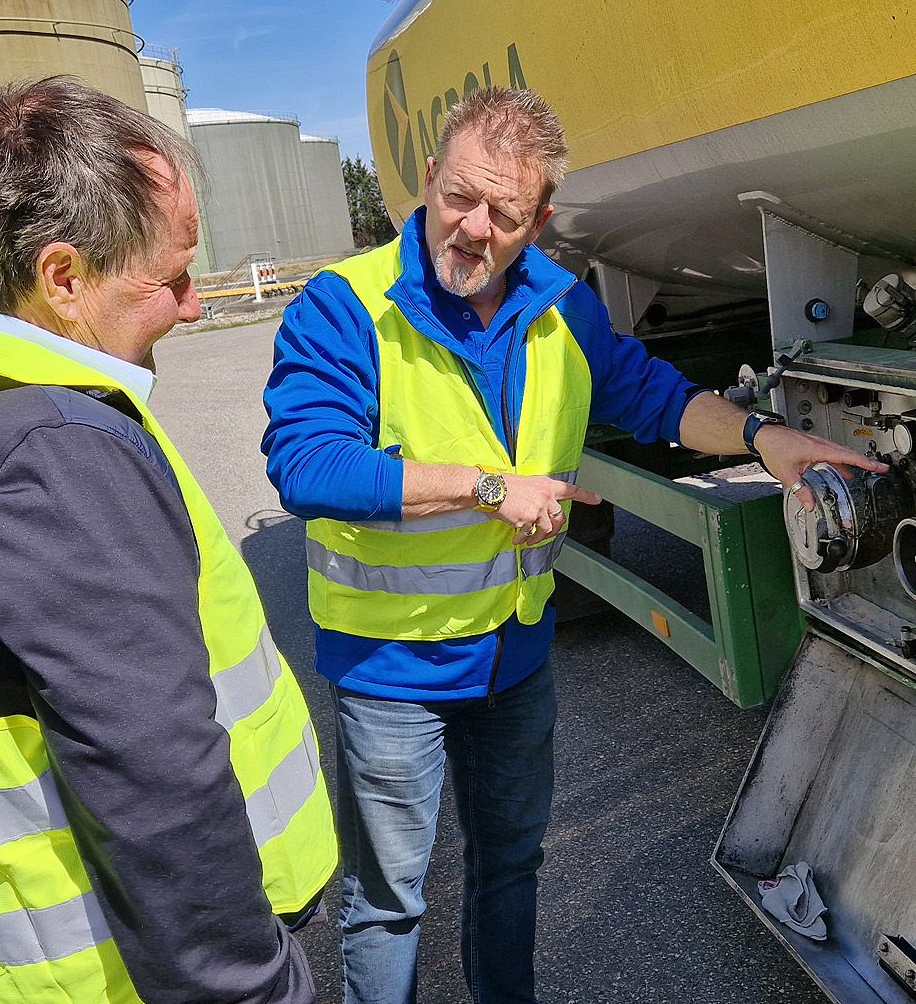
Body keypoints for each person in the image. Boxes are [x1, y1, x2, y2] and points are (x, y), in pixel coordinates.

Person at [261, 87, 879, 1003]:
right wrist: (483, 487)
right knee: (388, 902)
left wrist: (764, 439)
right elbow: (307, 465)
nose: (471, 229)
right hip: (392, 671)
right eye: (458, 197)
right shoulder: (345, 306)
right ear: (429, 176)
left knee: (511, 868)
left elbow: (655, 396)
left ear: (538, 220)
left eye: (503, 214)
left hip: (514, 659)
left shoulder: (561, 310)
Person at [0, 77, 337, 1004]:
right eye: (171, 277)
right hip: (128, 976)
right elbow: (157, 783)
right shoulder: (46, 450)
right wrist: (257, 989)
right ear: (62, 278)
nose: (190, 305)